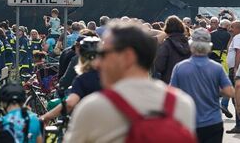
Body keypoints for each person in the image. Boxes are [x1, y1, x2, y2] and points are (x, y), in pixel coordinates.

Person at [64, 22, 196, 142]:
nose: (98, 62)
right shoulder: (182, 104)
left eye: (104, 54)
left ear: (128, 57)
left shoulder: (93, 107)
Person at [170, 28, 234, 143]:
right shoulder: (217, 68)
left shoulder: (180, 67)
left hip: (187, 121)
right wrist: (216, 90)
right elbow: (229, 92)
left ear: (191, 45)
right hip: (212, 121)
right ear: (209, 46)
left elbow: (171, 94)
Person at [40, 35, 102, 123]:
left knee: (64, 123)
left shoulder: (83, 79)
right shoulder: (112, 75)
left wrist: (45, 117)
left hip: (86, 121)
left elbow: (69, 103)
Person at [154, 16, 191, 84]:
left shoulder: (166, 45)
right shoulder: (189, 44)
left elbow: (159, 66)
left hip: (169, 81)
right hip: (186, 81)